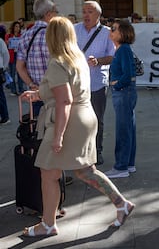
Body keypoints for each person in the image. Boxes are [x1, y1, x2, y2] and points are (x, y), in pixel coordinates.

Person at [21, 17, 134, 237]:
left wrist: (58, 137)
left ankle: (47, 224)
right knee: (83, 171)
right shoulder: (77, 58)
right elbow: (67, 92)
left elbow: (64, 101)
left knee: (49, 172)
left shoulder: (58, 62)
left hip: (68, 121)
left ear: (51, 37)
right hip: (84, 117)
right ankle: (122, 204)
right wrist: (38, 94)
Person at [75, 1, 115, 166]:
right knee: (77, 121)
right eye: (83, 11)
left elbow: (113, 56)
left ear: (98, 15)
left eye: (89, 11)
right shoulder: (74, 29)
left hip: (97, 83)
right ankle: (79, 152)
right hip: (76, 85)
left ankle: (96, 151)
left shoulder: (107, 33)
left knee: (97, 119)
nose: (85, 15)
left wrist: (98, 61)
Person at [104, 20, 137, 178]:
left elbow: (129, 74)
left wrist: (116, 85)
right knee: (128, 128)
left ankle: (121, 167)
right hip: (126, 92)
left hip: (123, 92)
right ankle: (128, 164)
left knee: (123, 130)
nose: (111, 31)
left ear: (122, 33)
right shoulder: (122, 49)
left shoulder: (123, 49)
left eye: (114, 29)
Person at [16, 0, 58, 116]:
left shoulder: (26, 35)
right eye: (56, 11)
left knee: (38, 128)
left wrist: (31, 84)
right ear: (48, 14)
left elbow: (20, 66)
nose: (57, 14)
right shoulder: (54, 34)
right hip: (55, 91)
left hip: (36, 92)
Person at [5, 21, 24, 95]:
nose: (17, 28)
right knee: (12, 73)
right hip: (12, 55)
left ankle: (21, 89)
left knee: (20, 73)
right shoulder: (9, 36)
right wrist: (7, 43)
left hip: (19, 55)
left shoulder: (21, 35)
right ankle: (13, 90)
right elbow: (6, 45)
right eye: (16, 26)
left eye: (19, 27)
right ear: (13, 27)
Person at [0, 27, 10, 125]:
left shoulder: (0, 41)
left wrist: (4, 67)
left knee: (0, 95)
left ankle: (5, 116)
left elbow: (6, 54)